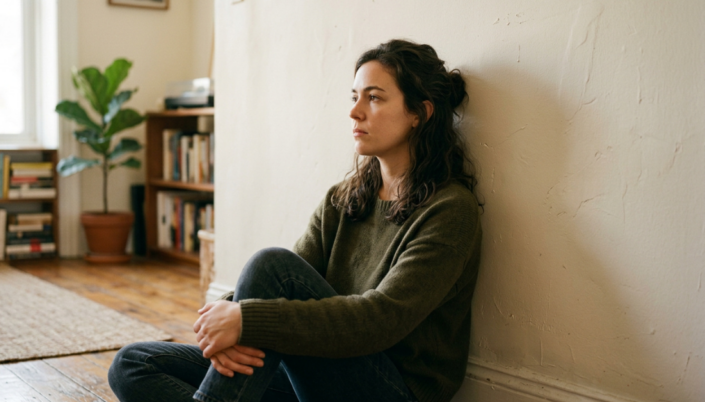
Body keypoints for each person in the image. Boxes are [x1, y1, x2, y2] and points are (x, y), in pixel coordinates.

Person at [108, 39, 483, 402]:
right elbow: (280, 282)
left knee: (270, 265)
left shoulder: (449, 211)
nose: (355, 111)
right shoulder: (346, 197)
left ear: (421, 113)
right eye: (354, 97)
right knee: (133, 364)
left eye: (374, 97)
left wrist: (245, 321)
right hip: (318, 371)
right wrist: (224, 321)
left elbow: (379, 321)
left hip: (390, 388)